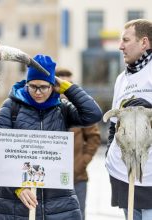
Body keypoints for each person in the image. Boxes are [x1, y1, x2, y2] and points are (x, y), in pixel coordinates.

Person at [0, 54, 102, 220]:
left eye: (43, 87)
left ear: (53, 86)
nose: (38, 92)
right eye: (33, 86)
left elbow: (94, 114)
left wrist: (68, 88)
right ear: (26, 83)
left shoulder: (61, 109)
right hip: (18, 204)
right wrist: (18, 187)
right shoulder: (11, 108)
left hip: (59, 203)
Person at [105, 19, 152, 220]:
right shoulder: (121, 78)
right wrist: (109, 152)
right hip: (124, 172)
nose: (120, 46)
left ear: (144, 42)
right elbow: (113, 124)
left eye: (126, 40)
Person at [55, 67, 101, 220]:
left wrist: (81, 163)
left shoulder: (80, 110)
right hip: (52, 178)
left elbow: (94, 138)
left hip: (77, 177)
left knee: (78, 214)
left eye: (68, 83)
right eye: (61, 83)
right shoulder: (49, 108)